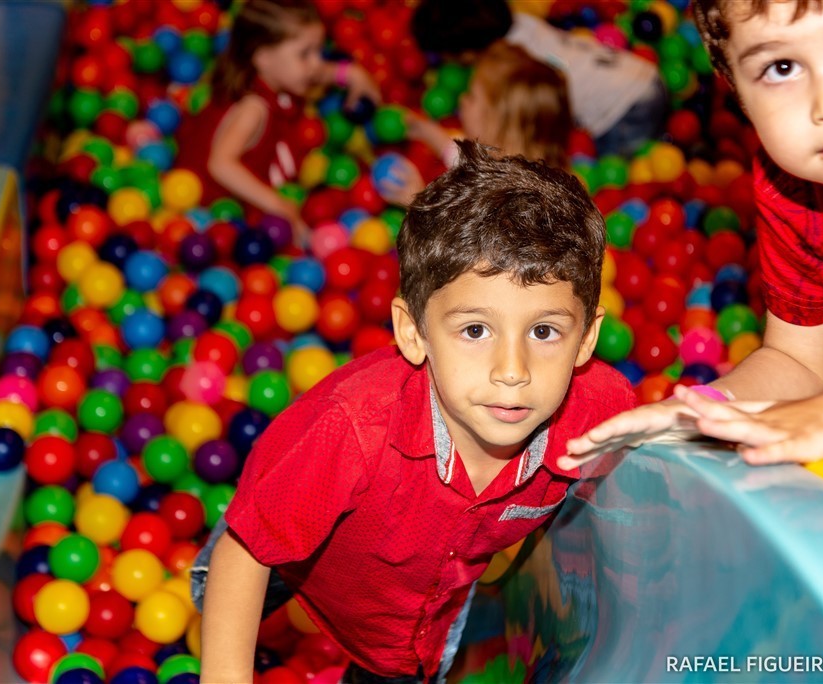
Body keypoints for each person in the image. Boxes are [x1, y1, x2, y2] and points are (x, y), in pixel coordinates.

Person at [195, 140, 637, 683]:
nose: (512, 370)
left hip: (405, 619)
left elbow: (644, 494)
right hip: (293, 541)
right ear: (413, 331)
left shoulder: (602, 416)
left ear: (587, 338)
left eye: (544, 332)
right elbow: (247, 552)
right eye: (475, 330)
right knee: (226, 593)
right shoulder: (352, 429)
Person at [563, 0, 823, 500]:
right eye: (782, 67)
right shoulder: (794, 181)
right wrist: (706, 409)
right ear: (737, 91)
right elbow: (798, 360)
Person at [173, 0, 380, 245]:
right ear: (263, 58)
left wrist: (351, 74)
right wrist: (280, 205)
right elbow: (220, 164)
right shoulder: (253, 109)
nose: (316, 63)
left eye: (319, 50)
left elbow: (324, 72)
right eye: (304, 54)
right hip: (215, 211)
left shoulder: (283, 75)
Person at [410, 0, 667, 158]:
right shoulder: (522, 22)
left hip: (626, 108)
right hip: (642, 75)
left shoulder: (512, 70)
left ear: (465, 52)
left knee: (613, 176)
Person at [379, 41, 573, 206]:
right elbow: (466, 161)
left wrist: (417, 202)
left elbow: (458, 235)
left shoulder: (504, 199)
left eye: (471, 96)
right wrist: (431, 134)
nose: (462, 100)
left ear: (499, 123)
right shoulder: (514, 164)